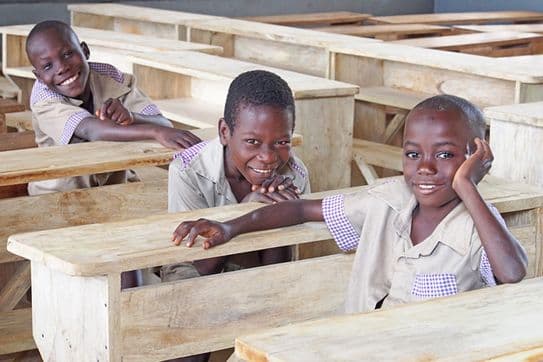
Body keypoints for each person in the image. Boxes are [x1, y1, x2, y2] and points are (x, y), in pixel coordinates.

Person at [172, 94, 527, 314]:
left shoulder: (477, 225)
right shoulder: (385, 200)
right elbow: (299, 209)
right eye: (413, 154)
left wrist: (465, 184)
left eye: (447, 155)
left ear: (476, 155)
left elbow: (512, 272)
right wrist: (231, 226)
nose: (426, 168)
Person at [165, 70, 310, 362]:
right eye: (253, 142)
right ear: (224, 132)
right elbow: (201, 267)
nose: (268, 157)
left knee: (277, 321)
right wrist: (246, 208)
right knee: (194, 318)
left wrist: (273, 214)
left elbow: (275, 274)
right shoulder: (187, 169)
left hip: (259, 269)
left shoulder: (295, 174)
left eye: (281, 142)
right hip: (193, 268)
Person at [25, 20, 201, 195]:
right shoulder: (44, 99)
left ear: (85, 51)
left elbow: (164, 125)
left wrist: (132, 117)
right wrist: (154, 132)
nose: (62, 68)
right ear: (39, 76)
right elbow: (91, 130)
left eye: (68, 54)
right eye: (48, 66)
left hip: (114, 185)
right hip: (59, 195)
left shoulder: (112, 78)